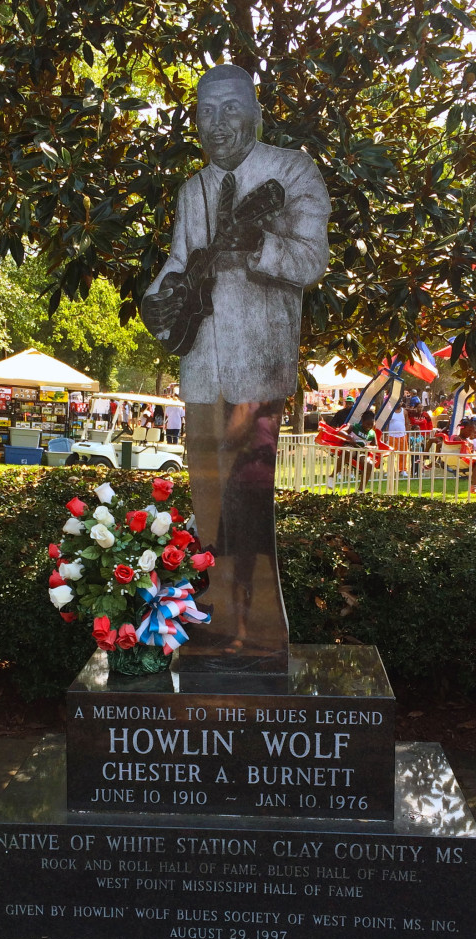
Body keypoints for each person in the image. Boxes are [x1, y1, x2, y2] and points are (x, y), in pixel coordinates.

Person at [141, 64, 330, 668]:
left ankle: (262, 636)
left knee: (250, 504)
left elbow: (310, 261)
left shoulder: (293, 170)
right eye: (204, 112)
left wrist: (257, 246)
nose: (215, 123)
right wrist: (159, 299)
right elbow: (178, 261)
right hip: (201, 366)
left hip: (259, 367)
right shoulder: (191, 189)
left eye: (228, 109)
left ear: (253, 112)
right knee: (210, 505)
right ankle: (218, 622)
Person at [408, 396, 432, 477]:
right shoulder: (412, 414)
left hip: (423, 436)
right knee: (414, 456)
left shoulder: (426, 414)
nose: (420, 408)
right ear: (416, 407)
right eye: (418, 407)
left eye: (421, 407)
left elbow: (430, 424)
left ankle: (421, 469)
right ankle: (413, 470)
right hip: (415, 435)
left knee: (423, 454)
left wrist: (428, 433)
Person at [386, 400, 410, 476]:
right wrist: (386, 434)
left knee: (403, 454)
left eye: (400, 402)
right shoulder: (389, 411)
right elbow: (387, 424)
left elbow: (406, 423)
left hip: (402, 435)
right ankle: (390, 470)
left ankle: (402, 470)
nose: (398, 403)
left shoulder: (404, 411)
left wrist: (408, 435)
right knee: (390, 454)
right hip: (391, 435)